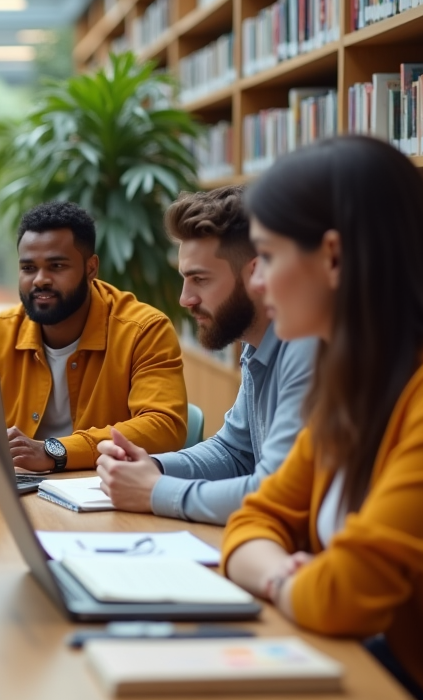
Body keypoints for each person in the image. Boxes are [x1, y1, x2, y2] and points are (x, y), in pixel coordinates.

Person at [221, 136, 423, 700]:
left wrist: (287, 581)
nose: (257, 282)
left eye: (266, 256)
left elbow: (349, 593)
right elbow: (253, 521)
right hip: (373, 666)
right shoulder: (351, 377)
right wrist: (295, 580)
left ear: (333, 257)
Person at [95, 187, 316, 524]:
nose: (185, 299)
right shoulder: (257, 345)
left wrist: (155, 491)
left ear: (256, 273)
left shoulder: (309, 347)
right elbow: (234, 452)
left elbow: (278, 493)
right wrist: (151, 467)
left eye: (199, 279)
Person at [0, 201, 187, 472]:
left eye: (56, 266)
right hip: (18, 483)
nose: (40, 280)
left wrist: (53, 451)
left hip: (103, 486)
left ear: (91, 268)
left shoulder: (144, 330)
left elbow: (164, 426)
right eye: (28, 268)